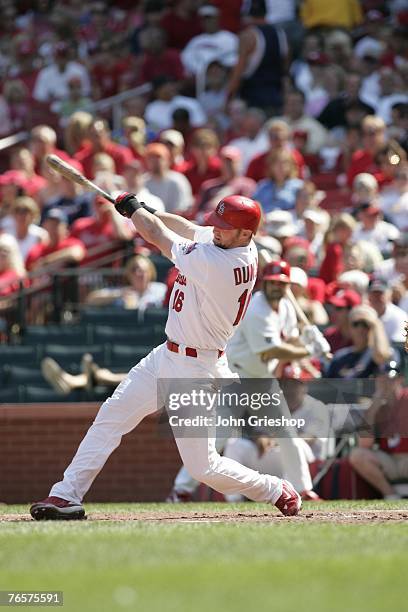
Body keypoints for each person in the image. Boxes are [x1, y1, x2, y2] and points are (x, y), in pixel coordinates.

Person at [30, 195, 302, 520]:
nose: (216, 230)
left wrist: (134, 213)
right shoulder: (224, 243)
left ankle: (274, 489)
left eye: (225, 227)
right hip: (167, 353)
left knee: (203, 467)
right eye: (217, 223)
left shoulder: (223, 263)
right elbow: (187, 227)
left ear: (245, 234)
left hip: (196, 368)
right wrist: (147, 211)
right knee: (111, 415)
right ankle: (65, 495)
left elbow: (158, 236)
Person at [349, 361, 408, 500]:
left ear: (400, 379)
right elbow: (364, 444)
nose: (385, 383)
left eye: (389, 379)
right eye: (380, 379)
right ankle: (390, 495)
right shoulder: (376, 408)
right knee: (358, 455)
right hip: (389, 460)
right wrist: (374, 407)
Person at [226, 0, 287, 113]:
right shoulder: (280, 34)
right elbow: (284, 67)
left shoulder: (248, 36)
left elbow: (238, 72)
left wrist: (228, 98)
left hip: (253, 99)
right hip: (276, 98)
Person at [326, 305, 393, 379]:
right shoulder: (340, 356)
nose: (360, 329)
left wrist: (376, 324)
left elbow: (382, 356)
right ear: (349, 327)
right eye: (356, 324)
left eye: (365, 324)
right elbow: (329, 386)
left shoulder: (377, 354)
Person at [86, 254, 166, 309]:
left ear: (150, 272)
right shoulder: (123, 291)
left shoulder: (161, 289)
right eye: (134, 270)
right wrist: (119, 295)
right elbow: (91, 299)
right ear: (128, 274)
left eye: (143, 271)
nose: (138, 274)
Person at [144, 143, 193, 214]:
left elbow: (183, 210)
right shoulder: (143, 181)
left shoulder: (178, 180)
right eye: (151, 158)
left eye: (158, 157)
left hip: (173, 222)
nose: (155, 161)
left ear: (168, 160)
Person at [367, 279, 407, 343]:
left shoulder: (399, 316)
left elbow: (399, 345)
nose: (377, 297)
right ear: (369, 296)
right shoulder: (365, 313)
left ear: (389, 295)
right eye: (374, 293)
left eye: (381, 293)